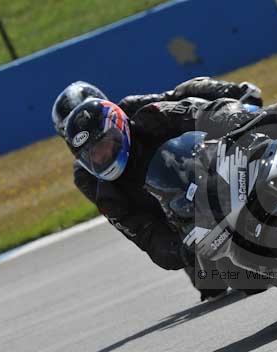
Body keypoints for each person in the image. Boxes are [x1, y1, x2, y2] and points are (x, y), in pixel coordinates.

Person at [63, 95, 277, 291]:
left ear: (119, 127)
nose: (103, 157)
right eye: (93, 154)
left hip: (220, 162)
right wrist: (178, 250)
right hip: (196, 219)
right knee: (237, 277)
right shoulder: (110, 197)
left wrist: (234, 119)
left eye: (105, 146)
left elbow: (200, 112)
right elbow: (149, 240)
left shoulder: (152, 117)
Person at [52, 78, 263, 301]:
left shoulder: (140, 111)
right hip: (178, 222)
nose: (85, 125)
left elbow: (180, 97)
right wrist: (181, 247)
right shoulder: (93, 180)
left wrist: (229, 96)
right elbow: (139, 228)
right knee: (223, 281)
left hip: (200, 171)